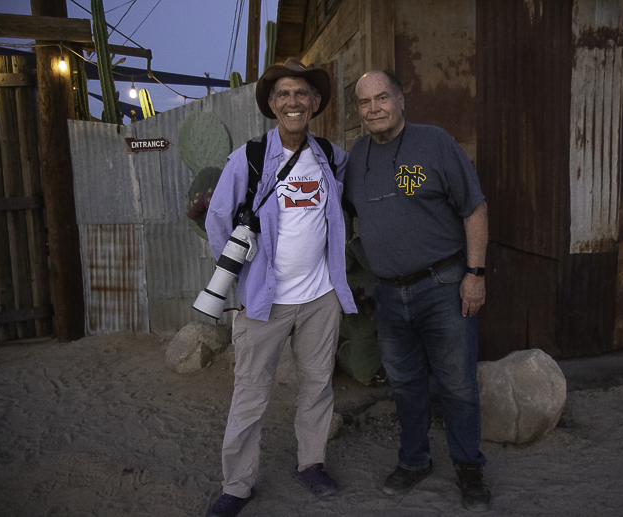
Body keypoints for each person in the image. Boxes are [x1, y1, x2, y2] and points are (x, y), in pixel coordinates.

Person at [204, 58, 357, 517]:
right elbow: (218, 220)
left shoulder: (329, 156)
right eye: (284, 94)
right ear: (272, 105)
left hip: (319, 298)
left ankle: (311, 463)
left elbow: (345, 200)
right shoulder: (249, 159)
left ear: (315, 102)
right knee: (250, 393)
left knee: (318, 385)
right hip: (263, 301)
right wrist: (242, 274)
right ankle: (237, 486)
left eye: (302, 93)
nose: (294, 102)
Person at [343, 70, 492, 512]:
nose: (374, 108)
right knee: (405, 386)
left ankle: (469, 467)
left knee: (458, 384)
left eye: (382, 97)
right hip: (389, 294)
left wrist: (476, 274)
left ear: (401, 99)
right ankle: (414, 461)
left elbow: (475, 208)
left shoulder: (435, 143)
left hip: (443, 285)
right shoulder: (357, 158)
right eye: (365, 102)